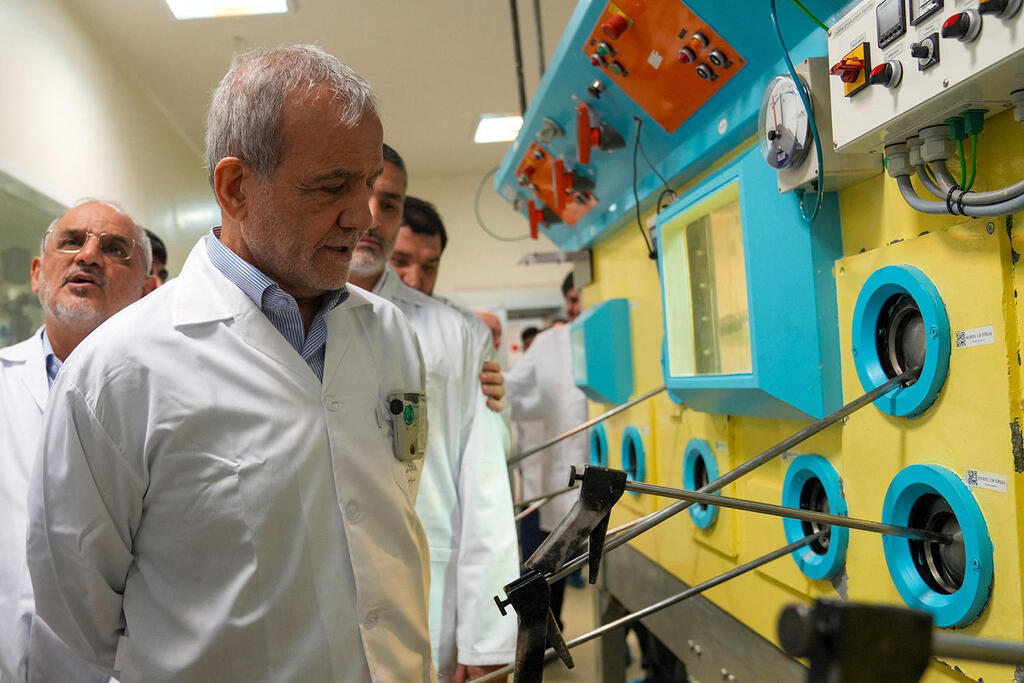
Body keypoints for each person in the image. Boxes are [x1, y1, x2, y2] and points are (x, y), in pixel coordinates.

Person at [27, 45, 434, 682]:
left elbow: (386, 527)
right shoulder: (120, 371)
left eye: (369, 184)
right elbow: (74, 622)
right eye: (332, 186)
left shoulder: (391, 337)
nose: (362, 216)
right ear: (236, 187)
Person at [348, 144, 517, 683]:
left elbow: (486, 485)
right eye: (359, 194)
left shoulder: (458, 335)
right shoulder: (285, 318)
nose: (372, 216)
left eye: (389, 203)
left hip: (429, 593)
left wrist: (488, 634)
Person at [0, 199, 156, 682]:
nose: (88, 255)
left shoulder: (169, 403)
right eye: (71, 242)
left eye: (114, 249)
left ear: (149, 290)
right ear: (36, 273)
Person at [505, 271, 589, 630]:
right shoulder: (550, 343)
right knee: (548, 566)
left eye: (582, 296)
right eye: (571, 298)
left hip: (620, 479)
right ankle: (550, 630)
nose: (576, 306)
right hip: (558, 485)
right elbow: (510, 390)